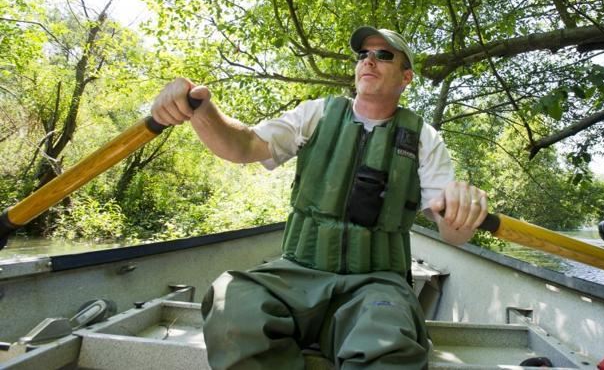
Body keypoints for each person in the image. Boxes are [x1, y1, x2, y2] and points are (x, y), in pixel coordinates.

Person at [151, 26, 489, 369]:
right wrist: (201, 110)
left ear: (406, 77)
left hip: (376, 284)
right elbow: (243, 145)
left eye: (383, 55)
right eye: (363, 55)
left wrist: (464, 214)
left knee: (389, 339)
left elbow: (451, 233)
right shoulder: (317, 113)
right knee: (233, 301)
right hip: (298, 273)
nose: (369, 60)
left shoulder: (425, 138)